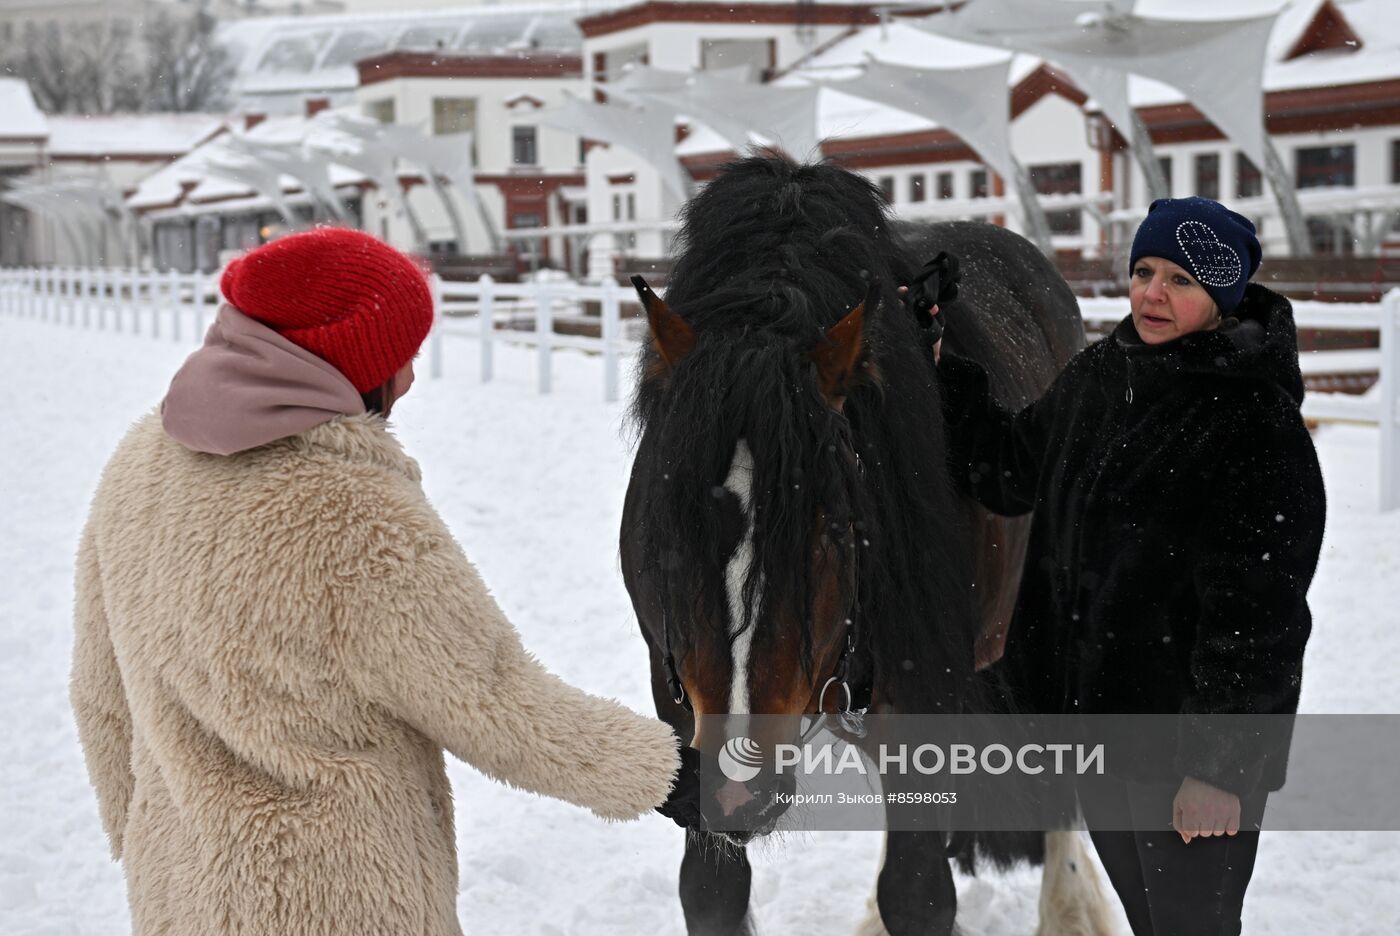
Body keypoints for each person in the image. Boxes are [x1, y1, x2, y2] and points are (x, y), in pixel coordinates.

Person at [70, 228, 702, 936]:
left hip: (178, 889)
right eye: (402, 356)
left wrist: (140, 839)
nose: (409, 378)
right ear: (351, 362)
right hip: (337, 895)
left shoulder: (138, 463)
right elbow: (494, 700)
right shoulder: (349, 515)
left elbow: (99, 692)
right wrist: (669, 774)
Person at [906, 198, 1326, 936]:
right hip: (1104, 731)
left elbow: (1259, 619)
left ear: (1223, 299)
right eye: (1144, 271)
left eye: (1181, 281)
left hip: (1187, 751)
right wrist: (941, 358)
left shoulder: (1255, 423)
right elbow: (1007, 469)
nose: (1152, 294)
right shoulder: (1105, 376)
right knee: (1147, 917)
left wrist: (1221, 767)